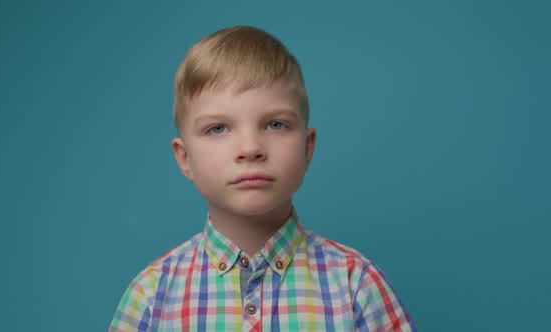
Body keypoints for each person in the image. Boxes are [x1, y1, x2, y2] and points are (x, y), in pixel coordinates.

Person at [109, 26, 416, 331]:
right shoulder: (151, 296)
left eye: (275, 125)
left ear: (307, 148)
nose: (250, 148)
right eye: (218, 128)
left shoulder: (355, 285)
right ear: (185, 158)